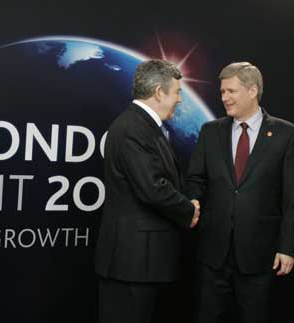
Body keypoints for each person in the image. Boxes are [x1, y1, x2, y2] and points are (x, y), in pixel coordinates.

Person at [185, 62, 294, 323]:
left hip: (259, 256)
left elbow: (291, 197)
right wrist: (193, 199)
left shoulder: (287, 134)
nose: (224, 97)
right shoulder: (210, 131)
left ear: (252, 91)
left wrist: (288, 248)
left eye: (230, 91)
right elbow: (195, 178)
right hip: (213, 253)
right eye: (222, 91)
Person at [95, 59, 200, 323]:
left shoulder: (145, 126)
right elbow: (152, 188)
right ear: (158, 92)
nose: (179, 100)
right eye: (177, 92)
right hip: (132, 262)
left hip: (140, 262)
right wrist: (189, 209)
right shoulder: (134, 129)